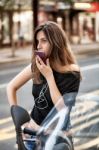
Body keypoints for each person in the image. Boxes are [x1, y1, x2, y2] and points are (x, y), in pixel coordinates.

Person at [7, 21, 81, 150]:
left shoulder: (72, 72)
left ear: (56, 42)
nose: (39, 46)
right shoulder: (37, 66)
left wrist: (49, 76)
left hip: (57, 139)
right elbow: (11, 87)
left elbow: (62, 109)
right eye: (37, 41)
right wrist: (18, 125)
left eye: (44, 41)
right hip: (32, 136)